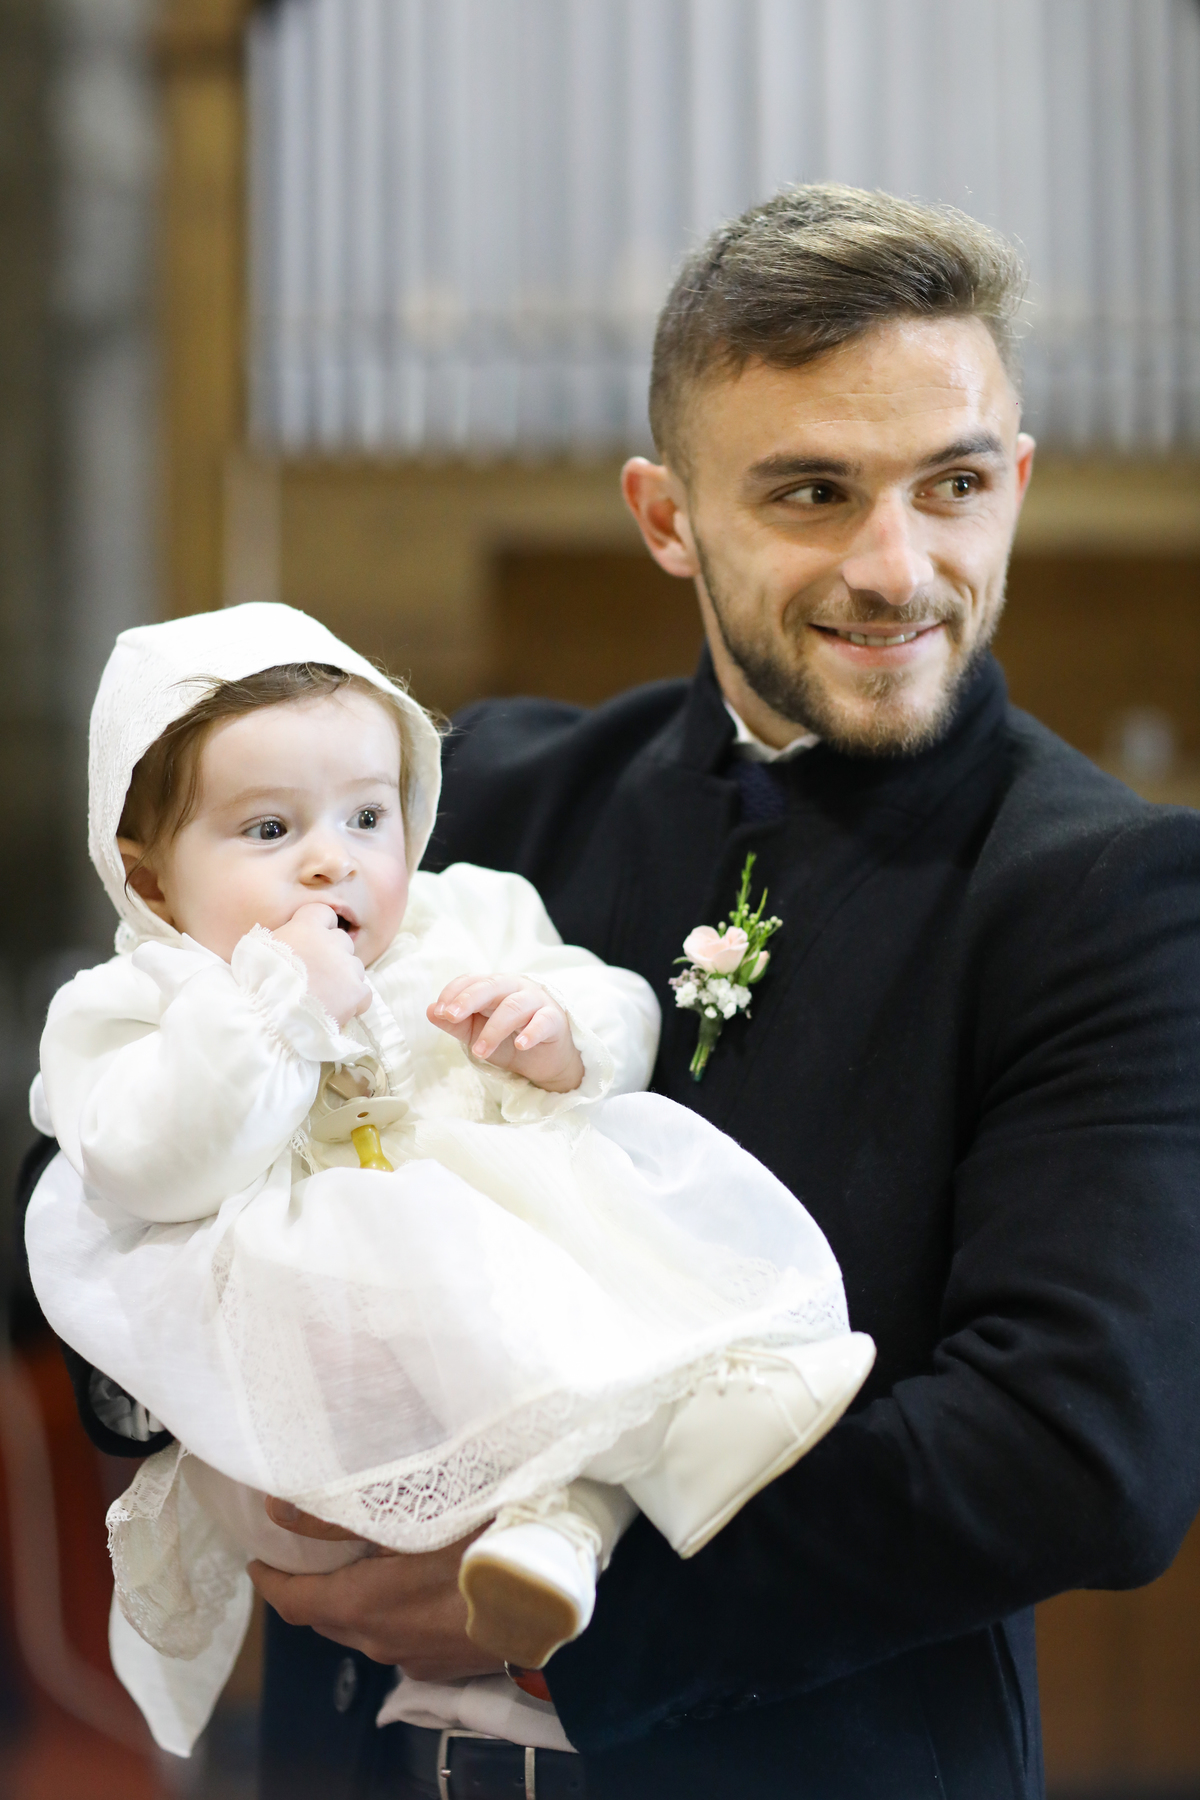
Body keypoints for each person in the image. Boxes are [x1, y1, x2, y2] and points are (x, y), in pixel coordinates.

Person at [45, 182, 1200, 1798]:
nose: (899, 566)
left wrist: (531, 1606)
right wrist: (214, 1413)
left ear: (1014, 477)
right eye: (812, 491)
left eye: (952, 486)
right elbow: (100, 1163)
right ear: (666, 517)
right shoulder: (489, 799)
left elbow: (1082, 1455)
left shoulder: (1107, 892)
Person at [24, 601, 871, 1759]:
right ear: (154, 881)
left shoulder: (467, 912)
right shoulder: (131, 1006)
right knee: (381, 1396)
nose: (334, 857)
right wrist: (278, 1008)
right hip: (302, 1369)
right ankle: (546, 1532)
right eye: (269, 830)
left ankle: (563, 1529)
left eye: (368, 815)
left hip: (475, 1307)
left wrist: (557, 1025)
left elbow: (613, 998)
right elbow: (149, 1158)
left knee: (581, 1323)